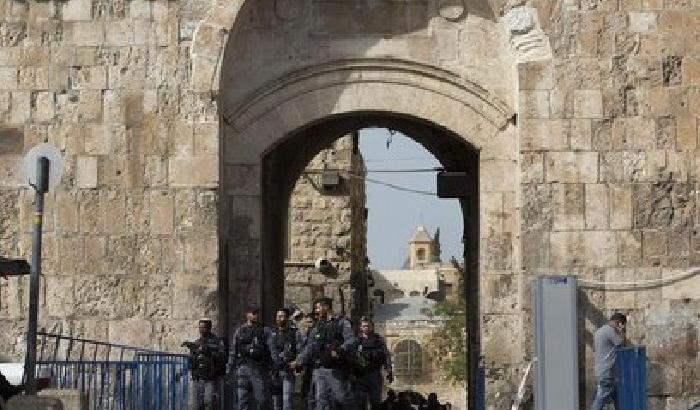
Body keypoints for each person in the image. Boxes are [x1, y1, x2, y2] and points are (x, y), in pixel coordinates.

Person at [291, 297, 359, 410]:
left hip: (335, 368)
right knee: (321, 400)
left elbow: (351, 340)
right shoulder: (318, 326)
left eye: (318, 308)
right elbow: (310, 346)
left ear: (326, 307)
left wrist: (340, 349)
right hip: (319, 368)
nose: (316, 311)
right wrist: (298, 361)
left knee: (342, 398)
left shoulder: (341, 322)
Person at [230, 305, 278, 410]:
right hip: (243, 368)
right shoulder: (240, 331)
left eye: (257, 313)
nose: (255, 316)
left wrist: (275, 368)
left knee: (261, 400)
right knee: (242, 400)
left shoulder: (265, 331)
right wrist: (229, 369)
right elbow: (233, 351)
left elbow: (272, 350)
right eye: (253, 313)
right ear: (247, 314)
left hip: (258, 368)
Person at [183, 319, 227, 410]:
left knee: (209, 402)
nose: (201, 330)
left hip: (211, 378)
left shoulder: (217, 342)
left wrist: (208, 351)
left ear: (209, 328)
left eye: (203, 328)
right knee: (197, 405)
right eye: (200, 328)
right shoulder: (197, 342)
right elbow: (193, 359)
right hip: (199, 377)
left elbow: (222, 358)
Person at [590, 312, 628, 410]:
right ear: (618, 323)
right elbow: (621, 343)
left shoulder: (599, 331)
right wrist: (622, 331)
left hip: (601, 370)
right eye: (622, 324)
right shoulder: (610, 331)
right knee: (601, 398)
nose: (623, 327)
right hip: (607, 371)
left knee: (617, 395)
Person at [355, 317, 393, 410]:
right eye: (364, 326)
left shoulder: (378, 340)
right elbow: (351, 356)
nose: (366, 328)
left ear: (372, 327)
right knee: (360, 402)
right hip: (360, 375)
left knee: (375, 402)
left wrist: (389, 370)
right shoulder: (357, 341)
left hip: (374, 374)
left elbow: (386, 355)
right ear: (360, 327)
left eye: (368, 326)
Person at [271, 307, 299, 410]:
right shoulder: (271, 332)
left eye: (282, 316)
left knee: (287, 400)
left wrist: (297, 362)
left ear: (287, 318)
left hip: (287, 370)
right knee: (276, 402)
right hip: (275, 372)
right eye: (278, 316)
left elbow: (299, 348)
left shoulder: (293, 332)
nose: (279, 319)